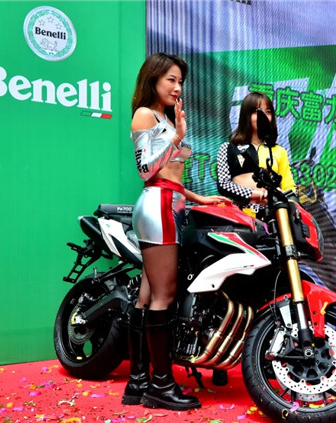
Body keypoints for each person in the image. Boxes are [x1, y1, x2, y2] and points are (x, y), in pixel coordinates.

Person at [123, 52, 226, 411]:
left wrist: (200, 198)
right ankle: (161, 385)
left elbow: (172, 177)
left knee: (147, 296)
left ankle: (138, 382)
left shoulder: (164, 119)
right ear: (153, 78)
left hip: (170, 203)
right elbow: (146, 170)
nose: (177, 87)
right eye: (171, 79)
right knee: (163, 297)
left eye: (180, 81)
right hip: (158, 206)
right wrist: (176, 138)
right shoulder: (144, 115)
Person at [216, 91, 296, 218]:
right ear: (246, 115)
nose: (263, 116)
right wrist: (259, 195)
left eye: (268, 112)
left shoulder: (279, 151)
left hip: (274, 219)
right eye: (257, 111)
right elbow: (224, 185)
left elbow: (289, 189)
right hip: (240, 218)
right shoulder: (228, 148)